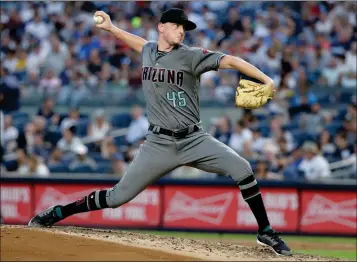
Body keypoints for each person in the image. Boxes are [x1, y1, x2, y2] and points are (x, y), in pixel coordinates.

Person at [28, 8, 291, 256]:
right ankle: (59, 212)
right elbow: (137, 42)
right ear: (161, 27)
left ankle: (265, 231)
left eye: (184, 28)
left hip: (194, 139)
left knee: (243, 168)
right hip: (159, 143)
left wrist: (266, 79)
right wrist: (111, 28)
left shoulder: (191, 55)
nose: (181, 31)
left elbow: (231, 61)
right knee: (117, 197)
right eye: (177, 25)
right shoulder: (148, 51)